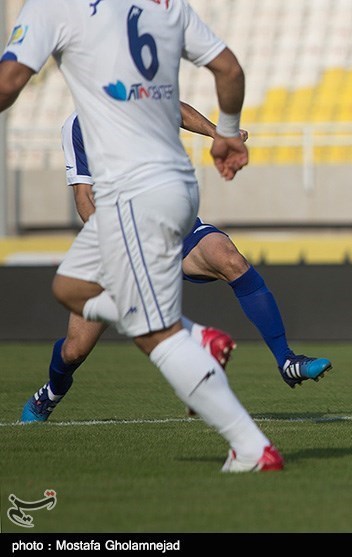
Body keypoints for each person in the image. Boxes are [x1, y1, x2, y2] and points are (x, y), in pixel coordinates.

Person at [0, 0, 297, 472]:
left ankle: (244, 433)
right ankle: (195, 350)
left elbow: (9, 82)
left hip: (136, 196)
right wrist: (226, 133)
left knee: (158, 332)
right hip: (166, 191)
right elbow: (230, 69)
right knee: (69, 289)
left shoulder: (54, 7)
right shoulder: (162, 6)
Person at [19, 106, 332, 424]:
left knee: (229, 259)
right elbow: (85, 199)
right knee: (75, 350)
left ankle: (286, 360)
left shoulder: (137, 91)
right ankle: (50, 394)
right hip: (115, 239)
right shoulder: (78, 125)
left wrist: (216, 133)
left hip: (170, 226)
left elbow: (176, 109)